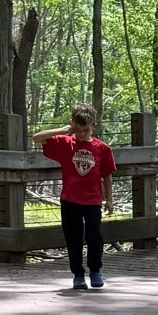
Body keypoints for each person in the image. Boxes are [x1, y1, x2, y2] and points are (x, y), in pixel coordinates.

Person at [41, 107, 117, 289]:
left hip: (92, 201)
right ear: (72, 125)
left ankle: (95, 271)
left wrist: (109, 199)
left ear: (94, 126)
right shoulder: (65, 143)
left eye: (86, 130)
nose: (82, 134)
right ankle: (78, 275)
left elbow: (107, 174)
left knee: (94, 236)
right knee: (73, 238)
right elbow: (37, 138)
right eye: (78, 130)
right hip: (70, 200)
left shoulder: (102, 148)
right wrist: (62, 130)